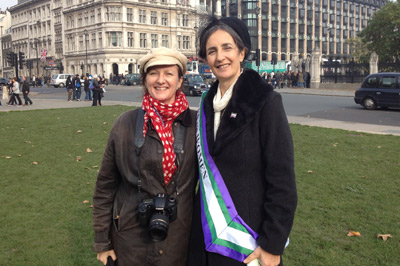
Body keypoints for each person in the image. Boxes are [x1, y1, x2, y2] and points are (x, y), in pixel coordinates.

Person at [187, 17, 297, 266]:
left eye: (227, 48)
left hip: (247, 239)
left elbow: (282, 179)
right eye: (211, 51)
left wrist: (272, 244)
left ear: (241, 51)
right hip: (205, 236)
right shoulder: (206, 102)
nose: (220, 57)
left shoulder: (265, 101)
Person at [92, 47, 197, 266]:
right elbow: (105, 187)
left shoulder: (198, 125)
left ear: (179, 81)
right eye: (153, 73)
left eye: (169, 73)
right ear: (145, 80)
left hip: (179, 240)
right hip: (131, 240)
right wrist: (103, 242)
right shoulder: (125, 124)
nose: (161, 80)